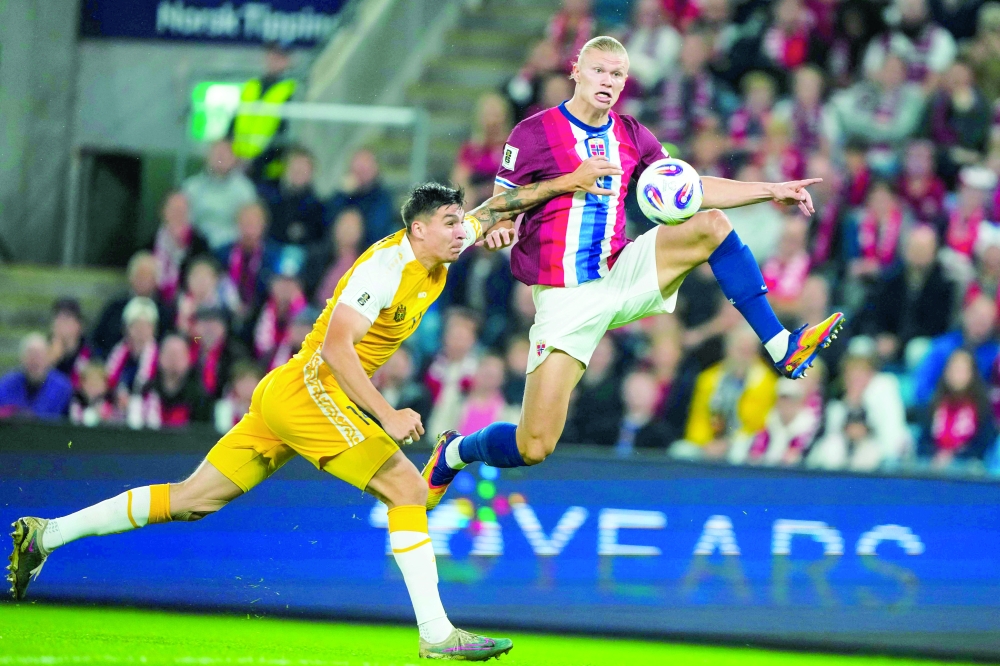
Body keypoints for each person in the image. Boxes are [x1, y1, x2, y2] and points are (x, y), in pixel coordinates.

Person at [8, 163, 619, 659]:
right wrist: (384, 411)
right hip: (312, 388)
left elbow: (503, 206)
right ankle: (437, 634)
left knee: (194, 499)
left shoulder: (441, 247)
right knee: (408, 488)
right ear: (420, 230)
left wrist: (571, 181)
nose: (465, 231)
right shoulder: (385, 266)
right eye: (452, 224)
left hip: (289, 392)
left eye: (464, 222)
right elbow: (335, 346)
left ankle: (47, 534)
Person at [424, 36, 842, 509]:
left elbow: (690, 188)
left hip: (620, 270)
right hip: (566, 297)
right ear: (575, 70)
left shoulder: (631, 134)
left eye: (618, 74)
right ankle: (455, 450)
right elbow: (500, 204)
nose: (608, 82)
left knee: (710, 226)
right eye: (600, 71)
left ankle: (782, 345)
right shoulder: (533, 133)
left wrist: (770, 189)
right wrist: (499, 227)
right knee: (533, 445)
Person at [807, 337, 911, 472]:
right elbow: (828, 439)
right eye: (852, 369)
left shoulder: (884, 387)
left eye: (863, 369)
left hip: (881, 463)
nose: (856, 375)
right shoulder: (837, 404)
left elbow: (892, 435)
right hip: (843, 461)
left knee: (868, 452)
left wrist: (866, 430)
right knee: (831, 449)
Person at [866, 225, 955, 364]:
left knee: (917, 350)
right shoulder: (888, 278)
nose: (918, 253)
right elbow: (871, 312)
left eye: (924, 248)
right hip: (886, 339)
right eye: (915, 247)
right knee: (861, 346)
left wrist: (898, 341)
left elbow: (937, 325)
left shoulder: (944, 284)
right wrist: (879, 336)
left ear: (934, 252)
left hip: (921, 341)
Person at [913, 293, 1000, 406]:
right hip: (941, 411)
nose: (981, 321)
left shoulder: (995, 355)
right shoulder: (943, 347)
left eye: (987, 318)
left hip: (981, 415)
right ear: (965, 314)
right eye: (977, 315)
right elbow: (922, 389)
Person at [230, 41, 297, 181]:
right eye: (272, 54)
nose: (274, 60)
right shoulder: (251, 86)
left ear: (288, 61)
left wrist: (256, 161)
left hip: (268, 167)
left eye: (280, 56)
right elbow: (234, 123)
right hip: (238, 164)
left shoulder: (292, 89)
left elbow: (285, 134)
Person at [921, 348, 996, 469]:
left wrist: (955, 457)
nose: (957, 375)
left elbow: (983, 446)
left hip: (969, 473)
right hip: (934, 469)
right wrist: (937, 456)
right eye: (953, 369)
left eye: (962, 370)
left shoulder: (983, 409)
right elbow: (923, 443)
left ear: (972, 373)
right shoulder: (933, 406)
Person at [91, 252, 172, 357]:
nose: (143, 280)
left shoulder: (165, 312)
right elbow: (97, 340)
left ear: (156, 280)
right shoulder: (114, 308)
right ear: (130, 277)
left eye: (148, 276)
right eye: (139, 275)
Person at [182, 140, 258, 250]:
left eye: (226, 154)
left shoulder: (245, 189)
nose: (221, 158)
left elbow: (251, 223)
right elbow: (185, 221)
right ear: (207, 157)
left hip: (234, 248)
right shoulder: (191, 187)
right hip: (196, 246)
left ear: (234, 159)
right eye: (217, 153)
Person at [132, 334, 212, 430]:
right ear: (159, 357)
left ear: (188, 359)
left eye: (178, 354)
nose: (174, 359)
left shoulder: (200, 398)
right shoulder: (146, 392)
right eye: (170, 353)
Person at [256, 146, 325, 247]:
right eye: (295, 167)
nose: (298, 171)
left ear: (311, 172)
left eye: (303, 168)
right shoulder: (272, 202)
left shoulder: (318, 209)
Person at [150, 190, 211, 304]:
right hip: (155, 301)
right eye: (174, 210)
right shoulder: (150, 244)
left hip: (191, 303)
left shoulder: (200, 244)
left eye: (182, 211)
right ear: (163, 212)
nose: (178, 215)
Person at [326, 149, 395, 248]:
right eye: (357, 170)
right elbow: (328, 221)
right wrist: (342, 194)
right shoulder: (343, 195)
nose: (361, 175)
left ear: (375, 170)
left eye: (365, 170)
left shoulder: (382, 198)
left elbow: (377, 231)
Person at [451, 93, 512, 204]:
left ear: (506, 117)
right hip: (476, 200)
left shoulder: (511, 146)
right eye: (488, 115)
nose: (492, 121)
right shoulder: (471, 148)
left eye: (496, 115)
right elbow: (459, 180)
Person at [0, 332, 72, 420]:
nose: (34, 360)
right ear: (22, 358)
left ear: (47, 357)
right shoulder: (7, 384)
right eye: (30, 354)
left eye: (38, 355)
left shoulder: (62, 387)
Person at [48, 298, 92, 391]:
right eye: (57, 318)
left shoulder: (90, 354)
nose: (60, 324)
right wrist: (51, 361)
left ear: (79, 325)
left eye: (66, 319)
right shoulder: (44, 350)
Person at [213, 361, 265, 434]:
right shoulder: (224, 407)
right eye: (243, 382)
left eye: (251, 382)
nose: (247, 387)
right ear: (235, 385)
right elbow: (223, 433)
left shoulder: (265, 407)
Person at [69, 361, 120, 427]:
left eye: (97, 384)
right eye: (91, 383)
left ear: (106, 386)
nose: (94, 387)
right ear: (82, 384)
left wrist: (106, 417)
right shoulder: (76, 400)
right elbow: (75, 420)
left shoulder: (111, 401)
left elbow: (118, 422)